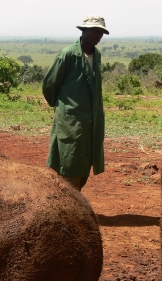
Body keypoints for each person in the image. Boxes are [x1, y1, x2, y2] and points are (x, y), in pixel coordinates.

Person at [42, 14, 109, 191]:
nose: (98, 35)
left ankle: (72, 200)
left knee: (84, 163)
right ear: (83, 31)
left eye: (101, 32)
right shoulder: (68, 55)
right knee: (68, 163)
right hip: (71, 121)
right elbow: (49, 85)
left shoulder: (96, 55)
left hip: (91, 122)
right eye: (94, 31)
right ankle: (66, 203)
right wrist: (63, 108)